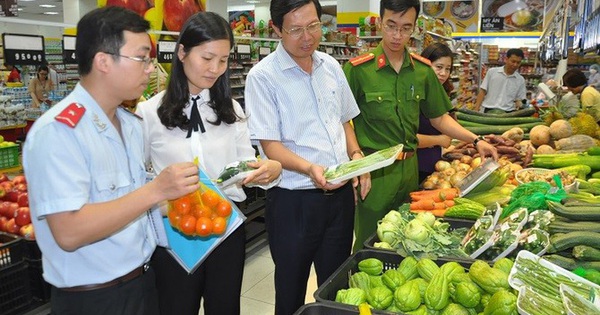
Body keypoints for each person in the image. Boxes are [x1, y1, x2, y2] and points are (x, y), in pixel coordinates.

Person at [22, 7, 200, 315]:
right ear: (103, 61)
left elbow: (131, 202)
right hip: (92, 299)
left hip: (142, 283)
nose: (150, 68)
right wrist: (156, 191)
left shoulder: (131, 125)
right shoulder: (60, 132)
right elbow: (69, 232)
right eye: (142, 57)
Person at [136, 12, 282, 315]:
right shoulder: (148, 113)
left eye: (223, 60)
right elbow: (137, 178)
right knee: (176, 308)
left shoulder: (231, 109)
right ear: (182, 52)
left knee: (225, 308)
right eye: (207, 57)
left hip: (225, 229)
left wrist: (263, 169)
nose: (215, 69)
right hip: (176, 235)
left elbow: (244, 163)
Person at [244, 0, 371, 313]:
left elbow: (345, 121)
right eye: (296, 30)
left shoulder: (331, 66)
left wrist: (357, 157)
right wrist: (309, 168)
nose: (308, 37)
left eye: (314, 26)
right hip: (293, 203)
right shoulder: (262, 77)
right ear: (276, 29)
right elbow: (270, 146)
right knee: (290, 289)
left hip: (340, 199)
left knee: (335, 288)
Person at [343, 0, 498, 252]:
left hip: (410, 170)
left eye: (405, 28)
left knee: (408, 239)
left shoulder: (422, 71)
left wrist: (476, 140)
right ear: (380, 22)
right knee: (368, 244)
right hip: (374, 172)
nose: (397, 35)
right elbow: (342, 120)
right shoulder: (358, 70)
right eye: (391, 26)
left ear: (414, 28)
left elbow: (439, 117)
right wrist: (356, 160)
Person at [417, 42, 455, 183]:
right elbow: (406, 138)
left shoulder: (441, 92)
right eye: (438, 67)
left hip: (434, 166)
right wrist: (439, 140)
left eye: (448, 69)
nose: (443, 73)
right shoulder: (416, 94)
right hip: (416, 166)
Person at [474, 48, 526, 113]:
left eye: (518, 62)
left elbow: (519, 99)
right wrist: (476, 109)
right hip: (488, 110)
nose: (515, 65)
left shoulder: (520, 80)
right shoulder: (492, 72)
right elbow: (482, 91)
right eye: (513, 61)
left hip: (508, 113)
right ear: (506, 59)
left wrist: (521, 105)